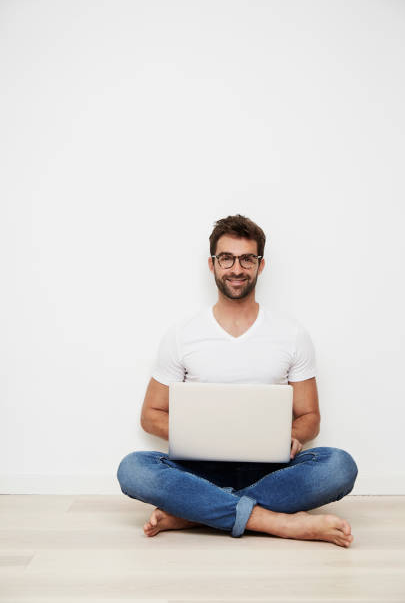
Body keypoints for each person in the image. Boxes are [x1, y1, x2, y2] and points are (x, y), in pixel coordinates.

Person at [117, 214, 358, 547]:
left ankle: (195, 512)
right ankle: (278, 523)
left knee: (339, 466)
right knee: (133, 469)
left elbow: (310, 418)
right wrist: (202, 435)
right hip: (199, 469)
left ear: (260, 265)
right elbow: (151, 415)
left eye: (247, 259)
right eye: (226, 258)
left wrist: (290, 436)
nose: (236, 268)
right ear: (212, 264)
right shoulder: (181, 335)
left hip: (270, 469)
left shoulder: (292, 334)